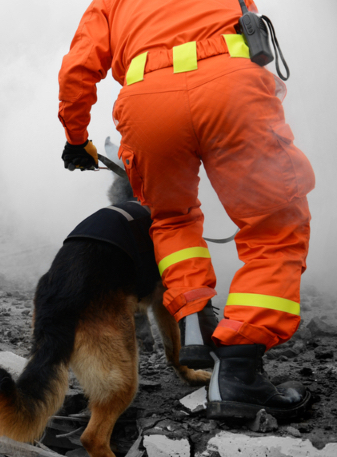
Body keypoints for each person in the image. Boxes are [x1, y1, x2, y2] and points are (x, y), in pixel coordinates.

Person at [57, 0, 315, 420]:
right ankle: (239, 371)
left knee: (172, 219)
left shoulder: (110, 2)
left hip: (148, 103)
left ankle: (195, 319)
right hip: (230, 90)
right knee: (274, 227)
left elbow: (78, 68)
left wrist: (75, 137)